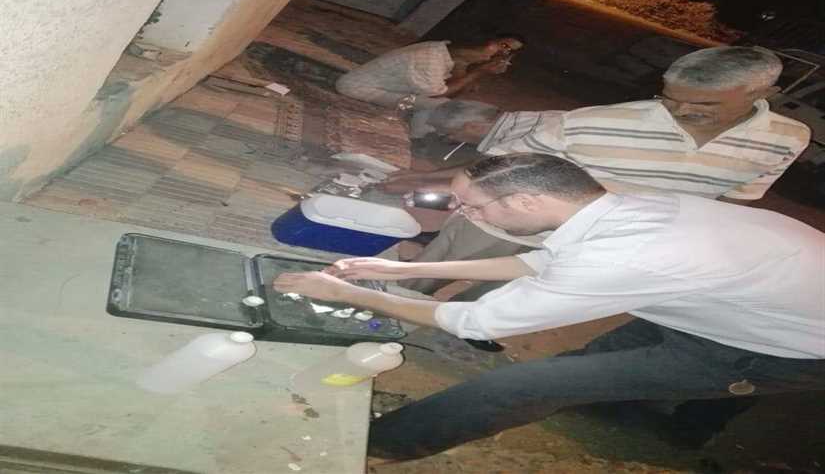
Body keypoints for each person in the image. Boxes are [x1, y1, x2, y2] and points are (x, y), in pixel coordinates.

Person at [272, 153, 825, 460]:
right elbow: (543, 262)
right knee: (594, 367)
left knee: (519, 386)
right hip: (731, 302)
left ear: (527, 200)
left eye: (472, 206)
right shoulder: (618, 205)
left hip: (778, 349)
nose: (465, 215)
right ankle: (611, 403)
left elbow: (474, 321)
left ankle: (379, 447)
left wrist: (351, 292)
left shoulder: (629, 251)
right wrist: (400, 272)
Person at [383, 46, 812, 295]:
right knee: (430, 275)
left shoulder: (788, 137)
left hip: (607, 244)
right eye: (670, 97)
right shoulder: (600, 121)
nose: (680, 110)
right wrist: (422, 180)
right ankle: (384, 311)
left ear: (764, 93)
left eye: (703, 104)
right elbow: (502, 161)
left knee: (514, 293)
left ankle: (468, 323)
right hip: (516, 226)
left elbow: (736, 200)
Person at [335, 35, 525, 135]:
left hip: (389, 87)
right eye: (503, 45)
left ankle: (414, 121)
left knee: (455, 101)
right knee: (438, 105)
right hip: (356, 87)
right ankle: (418, 136)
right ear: (485, 39)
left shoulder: (447, 51)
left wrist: (474, 72)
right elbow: (441, 94)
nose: (503, 54)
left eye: (509, 52)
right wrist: (479, 72)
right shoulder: (429, 58)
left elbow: (458, 89)